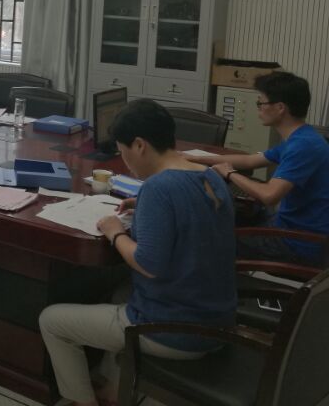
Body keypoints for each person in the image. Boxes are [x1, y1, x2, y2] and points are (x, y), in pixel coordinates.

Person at [39, 100, 236, 406]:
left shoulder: (159, 188)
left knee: (52, 320)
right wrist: (143, 205)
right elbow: (189, 218)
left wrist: (114, 231)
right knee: (119, 292)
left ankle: (82, 402)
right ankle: (113, 389)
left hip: (177, 330)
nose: (124, 160)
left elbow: (147, 264)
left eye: (123, 151)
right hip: (218, 319)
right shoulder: (211, 176)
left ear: (140, 145)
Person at [194, 72, 329, 266]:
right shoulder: (302, 136)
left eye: (261, 103)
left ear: (280, 108)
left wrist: (229, 173)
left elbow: (269, 195)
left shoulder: (303, 146)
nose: (258, 108)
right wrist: (194, 157)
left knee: (209, 240)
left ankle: (221, 284)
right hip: (289, 226)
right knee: (230, 216)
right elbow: (250, 161)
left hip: (298, 243)